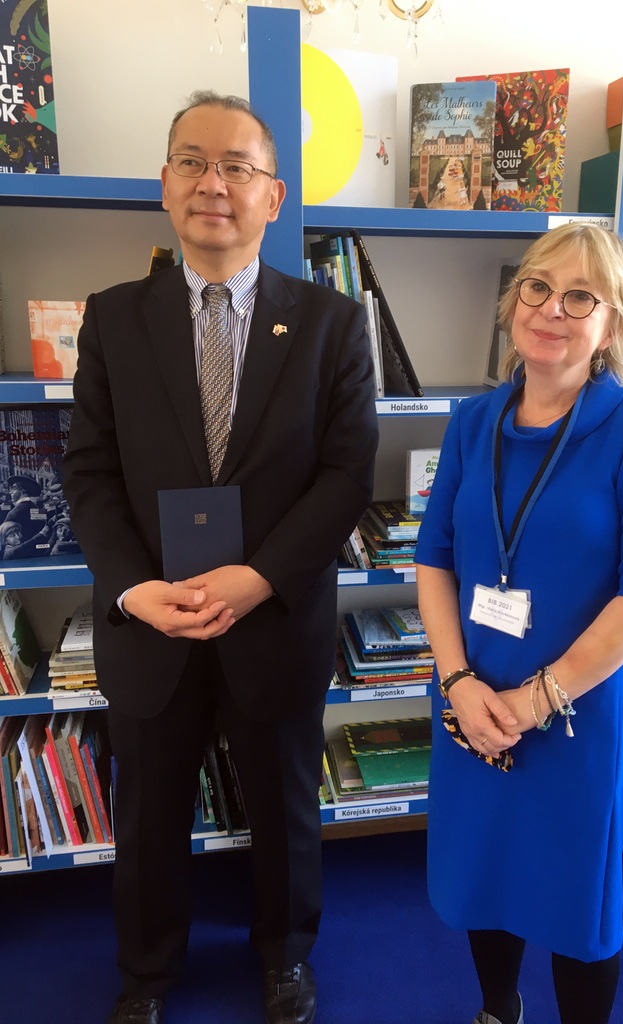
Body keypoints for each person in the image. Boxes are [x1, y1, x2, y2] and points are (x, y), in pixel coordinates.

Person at [62, 90, 379, 1024]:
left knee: (285, 806)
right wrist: (133, 589)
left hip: (273, 614)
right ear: (165, 185)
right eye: (194, 163)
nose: (214, 183)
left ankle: (286, 957)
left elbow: (346, 476)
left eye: (237, 167)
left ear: (272, 196)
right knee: (148, 811)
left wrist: (259, 577)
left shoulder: (330, 324)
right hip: (152, 621)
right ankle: (146, 972)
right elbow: (89, 471)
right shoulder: (111, 319)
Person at [414, 222, 623, 1024]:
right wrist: (459, 683)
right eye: (538, 286)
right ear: (513, 300)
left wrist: (535, 702)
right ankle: (499, 1009)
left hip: (574, 713)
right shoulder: (472, 421)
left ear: (614, 323)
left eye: (580, 297)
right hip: (472, 702)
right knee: (486, 873)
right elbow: (434, 560)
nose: (551, 308)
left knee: (577, 899)